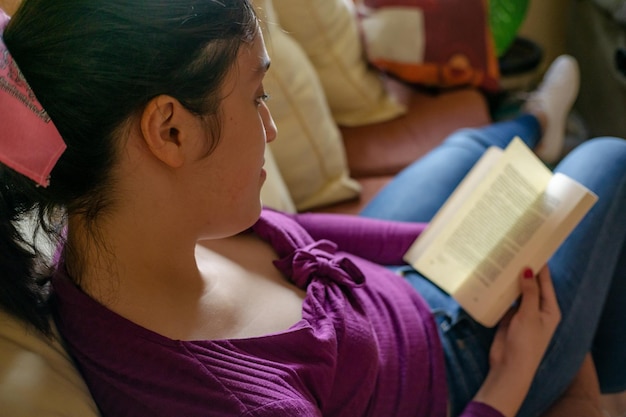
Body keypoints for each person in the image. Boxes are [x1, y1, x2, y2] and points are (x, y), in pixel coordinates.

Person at [0, 1, 624, 416]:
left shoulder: (107, 222)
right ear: (169, 131)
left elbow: (293, 238)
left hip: (377, 285)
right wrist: (508, 382)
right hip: (457, 359)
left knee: (465, 150)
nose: (270, 127)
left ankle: (535, 120)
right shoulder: (237, 400)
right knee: (609, 161)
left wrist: (437, 242)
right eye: (256, 96)